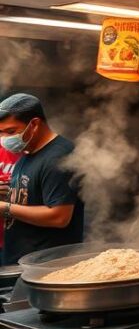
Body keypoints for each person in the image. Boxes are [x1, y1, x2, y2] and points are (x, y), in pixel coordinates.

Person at [0, 93, 84, 265]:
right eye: (1, 132)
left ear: (35, 124)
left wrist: (4, 208)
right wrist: (7, 194)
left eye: (11, 131)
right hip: (21, 263)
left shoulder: (58, 157)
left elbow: (59, 217)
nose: (5, 139)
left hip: (47, 267)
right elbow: (31, 196)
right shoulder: (27, 152)